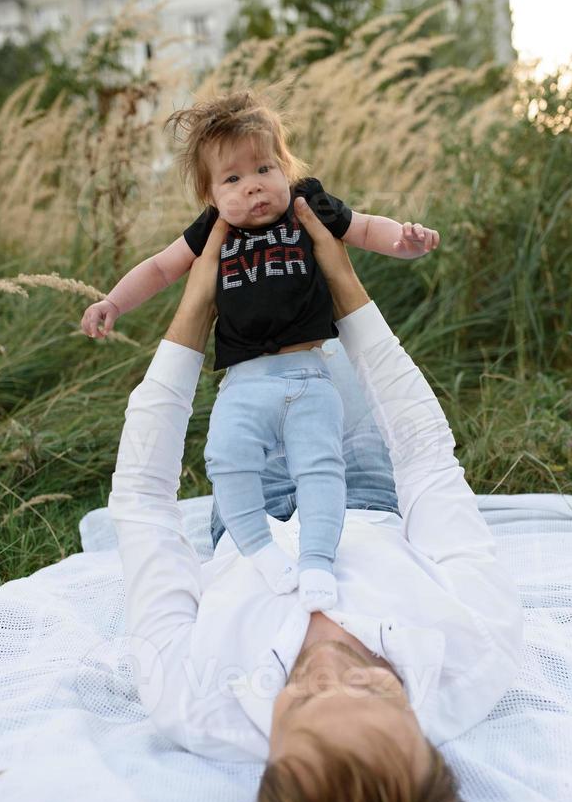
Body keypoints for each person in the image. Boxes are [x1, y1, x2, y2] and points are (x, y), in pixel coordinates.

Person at [107, 196, 525, 802]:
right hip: (362, 486)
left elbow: (144, 506)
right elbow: (424, 457)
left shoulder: (192, 699)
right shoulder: (478, 650)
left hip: (249, 522)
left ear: (267, 758)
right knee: (318, 349)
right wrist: (339, 277)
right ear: (421, 734)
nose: (329, 665)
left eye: (300, 701)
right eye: (371, 686)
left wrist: (197, 306)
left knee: (260, 358)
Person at [85, 88, 440, 613]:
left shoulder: (305, 205)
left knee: (323, 466)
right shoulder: (213, 230)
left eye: (264, 168)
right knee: (226, 458)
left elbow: (362, 226)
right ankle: (257, 550)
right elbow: (161, 268)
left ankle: (318, 559)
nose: (253, 186)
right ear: (210, 195)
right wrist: (113, 300)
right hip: (245, 382)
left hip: (311, 375)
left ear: (285, 167)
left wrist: (401, 241)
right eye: (232, 179)